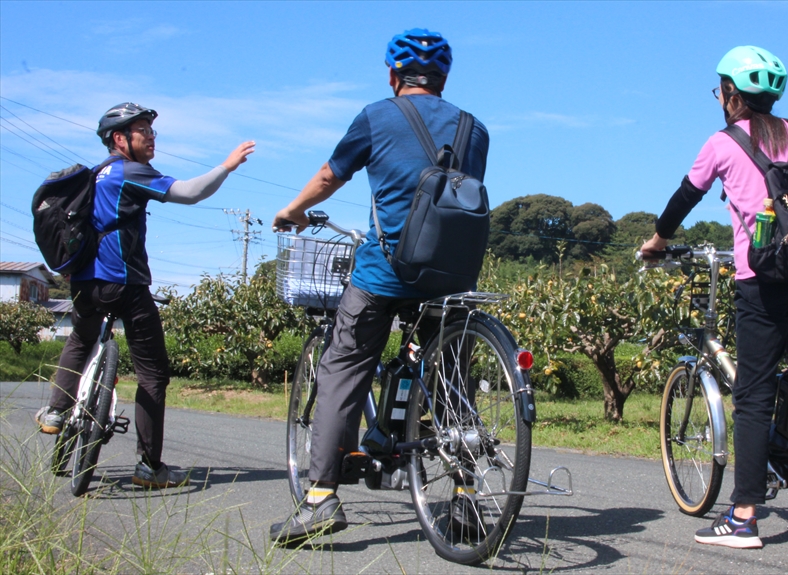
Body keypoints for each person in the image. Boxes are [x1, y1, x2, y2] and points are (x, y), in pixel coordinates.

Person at [268, 28, 489, 545]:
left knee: (342, 367)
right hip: (455, 275)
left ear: (393, 76)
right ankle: (465, 497)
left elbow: (331, 175)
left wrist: (292, 210)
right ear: (443, 80)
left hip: (388, 271)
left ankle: (320, 498)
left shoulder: (376, 116)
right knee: (452, 379)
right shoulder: (475, 129)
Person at [641, 46, 788, 549]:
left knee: (753, 396)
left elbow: (684, 198)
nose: (720, 98)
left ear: (731, 95)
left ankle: (744, 516)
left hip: (764, 276)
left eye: (721, 90)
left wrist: (657, 242)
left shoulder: (722, 142)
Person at [35, 102, 255, 489]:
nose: (152, 138)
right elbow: (189, 193)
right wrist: (227, 166)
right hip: (124, 284)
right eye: (143, 131)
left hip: (84, 283)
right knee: (153, 374)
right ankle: (150, 467)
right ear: (120, 139)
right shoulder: (129, 171)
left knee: (81, 339)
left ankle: (56, 411)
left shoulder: (96, 174)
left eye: (152, 131)